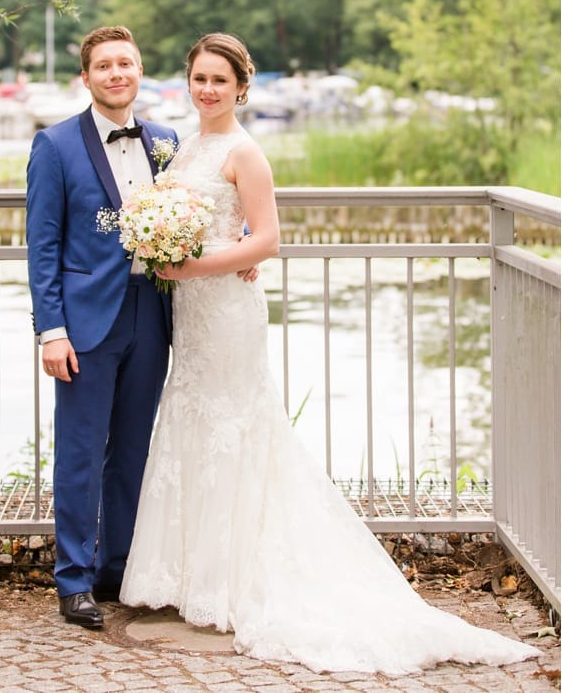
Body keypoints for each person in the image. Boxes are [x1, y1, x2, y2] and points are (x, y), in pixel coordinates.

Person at [118, 33, 538, 674]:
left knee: (237, 432)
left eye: (219, 82)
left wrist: (194, 266)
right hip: (193, 316)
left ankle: (234, 583)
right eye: (199, 79)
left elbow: (268, 242)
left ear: (240, 88)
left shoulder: (245, 152)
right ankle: (188, 581)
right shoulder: (186, 147)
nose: (207, 90)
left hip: (227, 313)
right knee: (193, 427)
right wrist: (164, 253)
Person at [25, 26, 179, 630]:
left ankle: (118, 568)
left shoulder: (165, 141)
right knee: (82, 450)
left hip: (153, 313)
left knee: (134, 450)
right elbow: (43, 247)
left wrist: (239, 245)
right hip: (86, 322)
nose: (117, 74)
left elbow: (197, 209)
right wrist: (50, 330)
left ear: (140, 72)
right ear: (85, 78)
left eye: (127, 64)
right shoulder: (55, 145)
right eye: (105, 66)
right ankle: (74, 579)